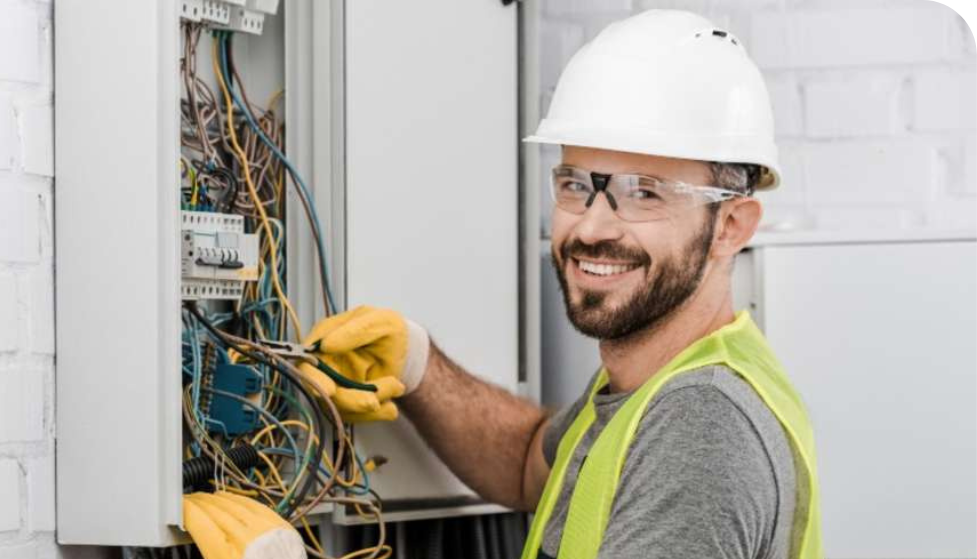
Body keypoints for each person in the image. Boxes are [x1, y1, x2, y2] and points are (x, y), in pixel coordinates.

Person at [300, 10, 822, 559]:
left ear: (730, 227)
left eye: (645, 192)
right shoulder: (645, 389)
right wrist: (419, 366)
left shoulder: (701, 424)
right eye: (576, 185)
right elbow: (530, 462)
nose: (591, 227)